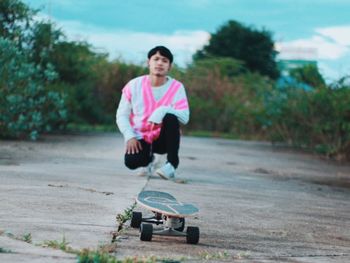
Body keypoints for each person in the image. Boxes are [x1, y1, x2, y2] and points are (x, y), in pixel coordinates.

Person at [116, 46, 189, 180]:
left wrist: (161, 111)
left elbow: (184, 116)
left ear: (169, 66)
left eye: (165, 60)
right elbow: (121, 115)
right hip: (140, 136)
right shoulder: (134, 85)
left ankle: (171, 165)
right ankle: (149, 160)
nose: (160, 63)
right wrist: (129, 136)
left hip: (163, 138)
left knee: (171, 117)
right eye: (156, 59)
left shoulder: (177, 87)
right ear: (148, 62)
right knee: (131, 162)